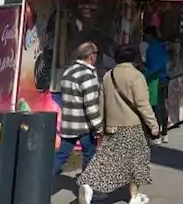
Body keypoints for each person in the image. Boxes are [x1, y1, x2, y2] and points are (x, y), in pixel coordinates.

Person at [76, 44, 159, 204]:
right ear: (134, 58)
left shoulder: (108, 75)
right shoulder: (136, 76)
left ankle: (88, 185)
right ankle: (134, 196)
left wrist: (100, 126)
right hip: (132, 127)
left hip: (112, 126)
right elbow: (143, 104)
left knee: (108, 159)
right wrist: (153, 125)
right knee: (136, 162)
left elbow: (102, 102)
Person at [56, 42, 103, 177]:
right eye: (96, 54)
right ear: (90, 56)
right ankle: (87, 188)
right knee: (90, 157)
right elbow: (91, 105)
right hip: (84, 126)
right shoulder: (88, 75)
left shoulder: (68, 72)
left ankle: (42, 183)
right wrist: (99, 127)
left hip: (69, 123)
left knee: (61, 156)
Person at [142, 27, 170, 144]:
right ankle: (164, 133)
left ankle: (157, 135)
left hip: (156, 80)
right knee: (162, 106)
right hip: (164, 78)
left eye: (145, 35)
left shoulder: (152, 48)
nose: (144, 38)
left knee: (156, 107)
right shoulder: (161, 46)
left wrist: (144, 73)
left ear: (150, 35)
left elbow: (153, 67)